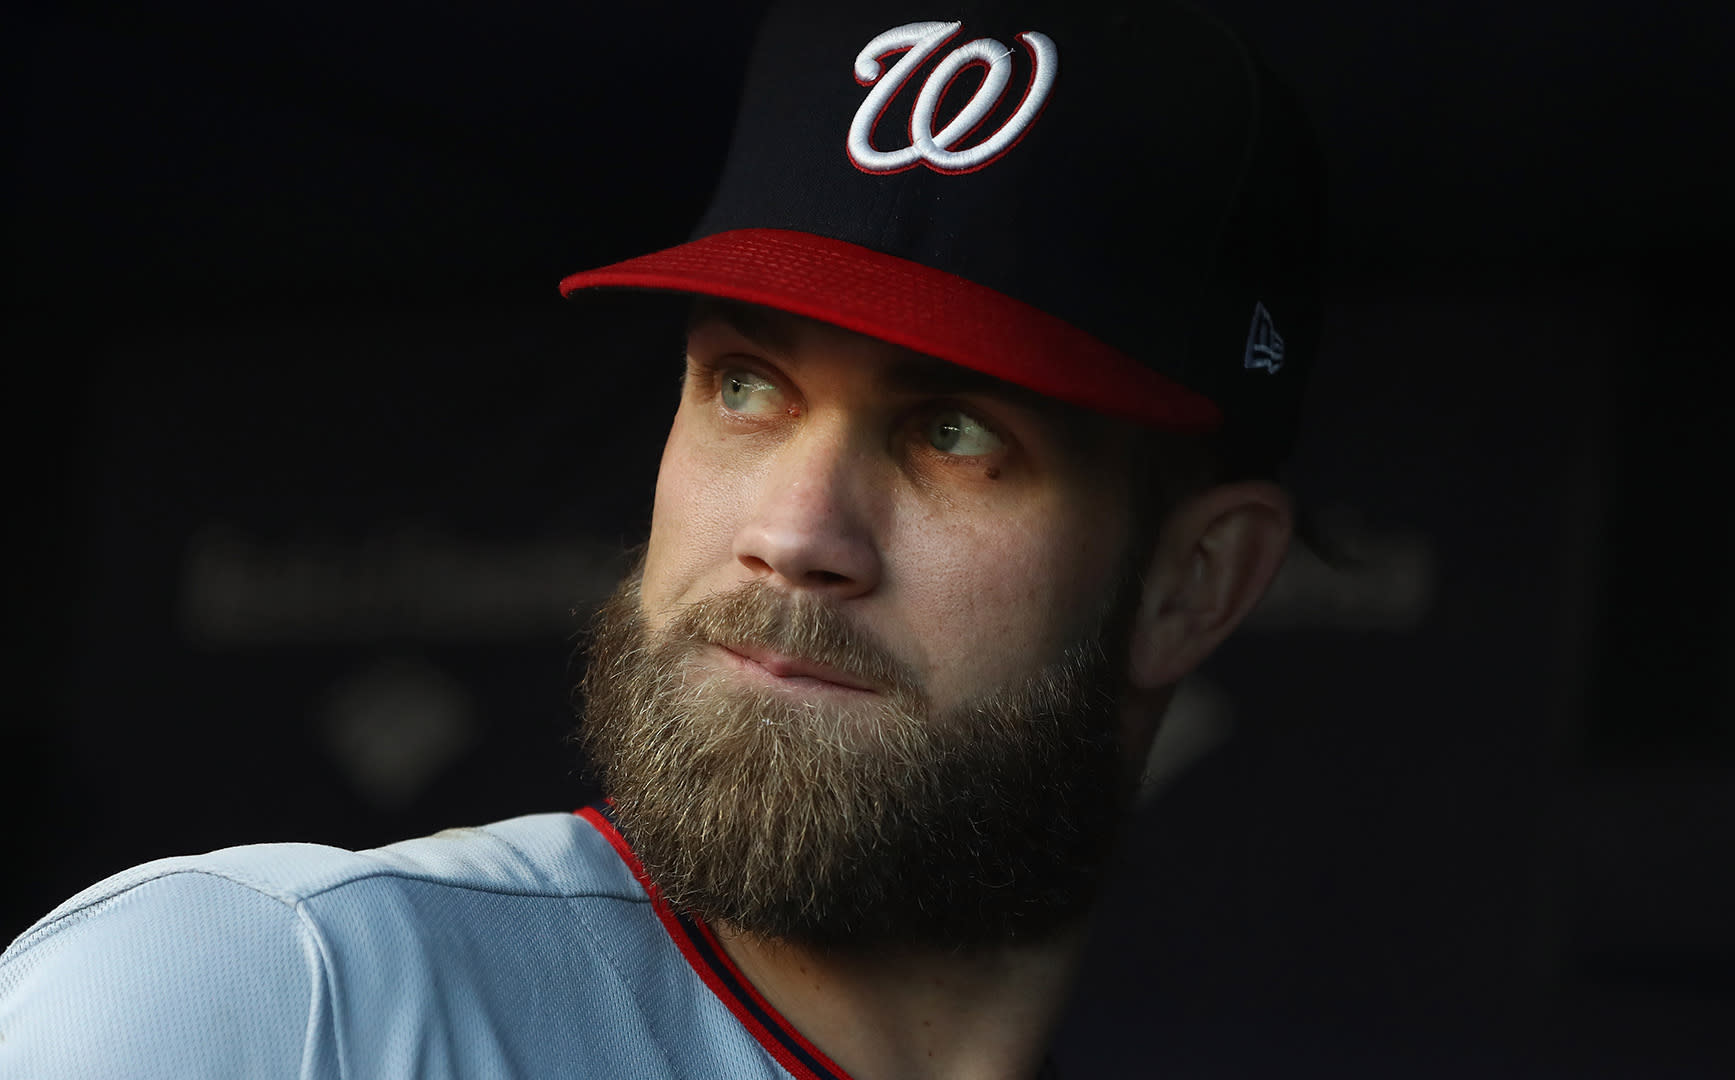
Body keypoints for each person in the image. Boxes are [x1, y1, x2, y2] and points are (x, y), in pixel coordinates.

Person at [0, 1, 1323, 1076]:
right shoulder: (261, 998)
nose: (795, 533)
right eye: (748, 385)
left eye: (957, 434)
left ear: (1191, 585)